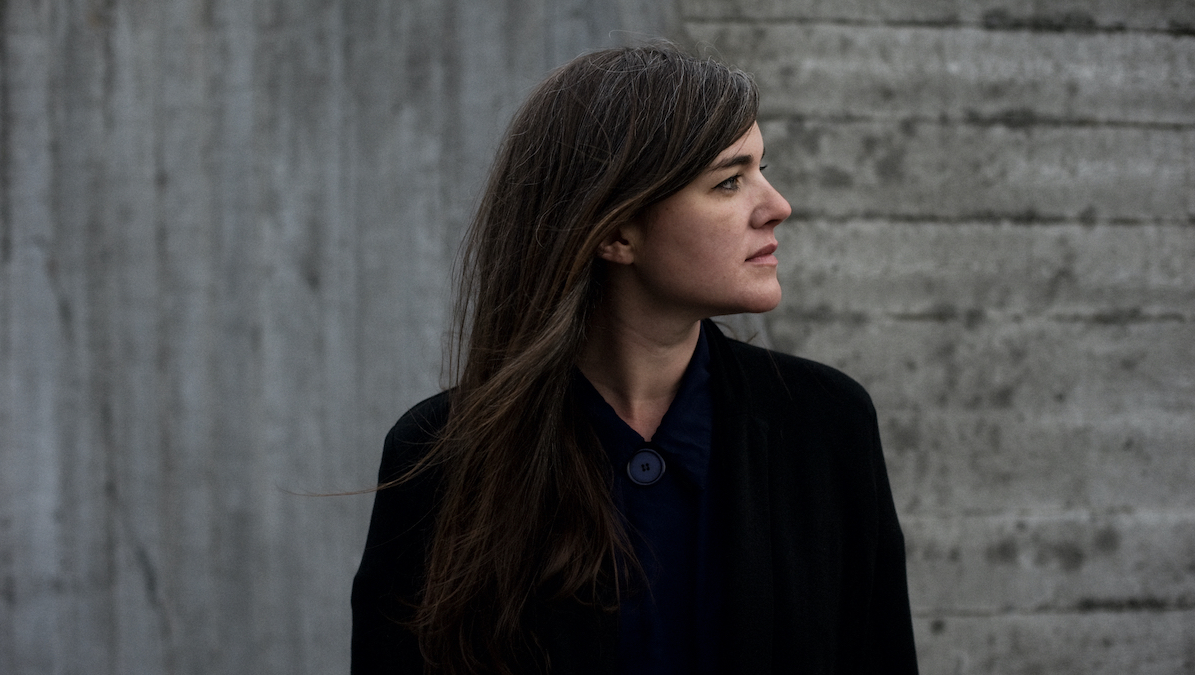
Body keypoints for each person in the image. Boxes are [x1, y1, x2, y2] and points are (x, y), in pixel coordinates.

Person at [351, 44, 919, 675]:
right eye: (729, 182)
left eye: (761, 170)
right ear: (617, 232)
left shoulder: (825, 423)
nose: (777, 206)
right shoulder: (442, 453)